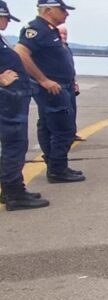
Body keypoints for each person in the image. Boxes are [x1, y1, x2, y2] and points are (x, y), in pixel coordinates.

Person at [16, 0, 84, 183]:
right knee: (64, 129)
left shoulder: (49, 30)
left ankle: (56, 166)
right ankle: (57, 170)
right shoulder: (36, 29)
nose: (66, 14)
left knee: (50, 126)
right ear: (48, 10)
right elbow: (21, 52)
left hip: (62, 86)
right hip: (53, 89)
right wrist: (43, 80)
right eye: (62, 10)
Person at [0, 0, 48, 210]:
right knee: (14, 146)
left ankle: (10, 189)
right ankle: (14, 194)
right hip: (8, 104)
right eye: (5, 18)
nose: (7, 22)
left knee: (14, 146)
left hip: (13, 102)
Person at [56, 24, 83, 141]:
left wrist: (75, 81)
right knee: (63, 111)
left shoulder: (67, 48)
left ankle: (72, 133)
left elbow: (70, 66)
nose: (63, 36)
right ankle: (63, 134)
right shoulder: (54, 49)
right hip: (59, 84)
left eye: (65, 34)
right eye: (60, 33)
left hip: (70, 83)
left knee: (72, 109)